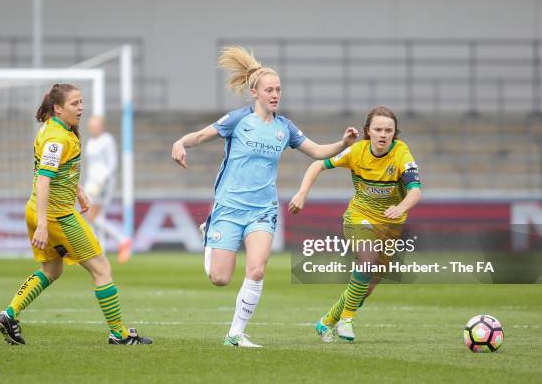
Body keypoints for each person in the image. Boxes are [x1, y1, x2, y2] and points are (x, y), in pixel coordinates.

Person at [171, 46, 359, 347]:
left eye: (279, 89)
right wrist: (180, 142)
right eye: (269, 89)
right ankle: (211, 233)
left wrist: (343, 142)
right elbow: (200, 136)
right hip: (229, 207)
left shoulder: (285, 128)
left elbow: (318, 152)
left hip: (263, 210)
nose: (275, 94)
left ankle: (235, 334)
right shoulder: (237, 120)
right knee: (219, 279)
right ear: (254, 92)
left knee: (257, 269)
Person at [0, 83, 152, 346]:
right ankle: (119, 334)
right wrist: (44, 226)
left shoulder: (52, 128)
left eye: (81, 102)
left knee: (52, 270)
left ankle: (9, 314)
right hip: (58, 217)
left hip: (36, 209)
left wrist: (77, 189)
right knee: (102, 269)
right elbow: (43, 180)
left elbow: (54, 171)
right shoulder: (58, 138)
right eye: (75, 103)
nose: (81, 108)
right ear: (58, 108)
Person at [288, 105, 422, 342]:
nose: (383, 134)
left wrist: (400, 208)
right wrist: (301, 194)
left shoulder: (402, 154)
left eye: (388, 130)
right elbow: (317, 164)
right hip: (359, 217)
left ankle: (327, 321)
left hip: (391, 225)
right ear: (368, 131)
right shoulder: (356, 151)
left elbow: (415, 192)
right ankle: (347, 321)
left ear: (395, 133)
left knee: (366, 287)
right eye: (378, 129)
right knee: (367, 261)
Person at [84, 115, 133, 264]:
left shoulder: (107, 140)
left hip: (102, 183)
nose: (94, 127)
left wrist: (103, 181)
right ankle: (100, 251)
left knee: (91, 216)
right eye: (91, 125)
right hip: (91, 182)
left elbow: (112, 164)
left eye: (96, 125)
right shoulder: (90, 142)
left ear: (102, 126)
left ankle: (122, 240)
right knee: (96, 218)